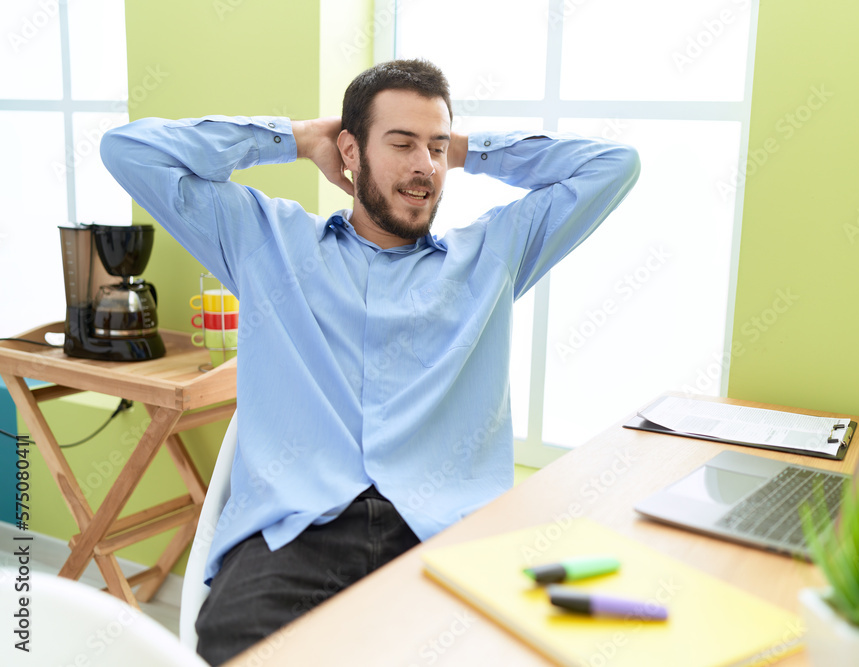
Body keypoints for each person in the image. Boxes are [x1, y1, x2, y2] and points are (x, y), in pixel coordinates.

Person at [101, 58, 639, 664]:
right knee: (241, 649)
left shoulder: (492, 255)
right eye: (402, 144)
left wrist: (467, 149)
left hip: (447, 535)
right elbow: (129, 149)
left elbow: (614, 167)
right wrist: (300, 139)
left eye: (435, 148)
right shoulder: (267, 242)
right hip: (297, 535)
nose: (424, 167)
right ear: (350, 151)